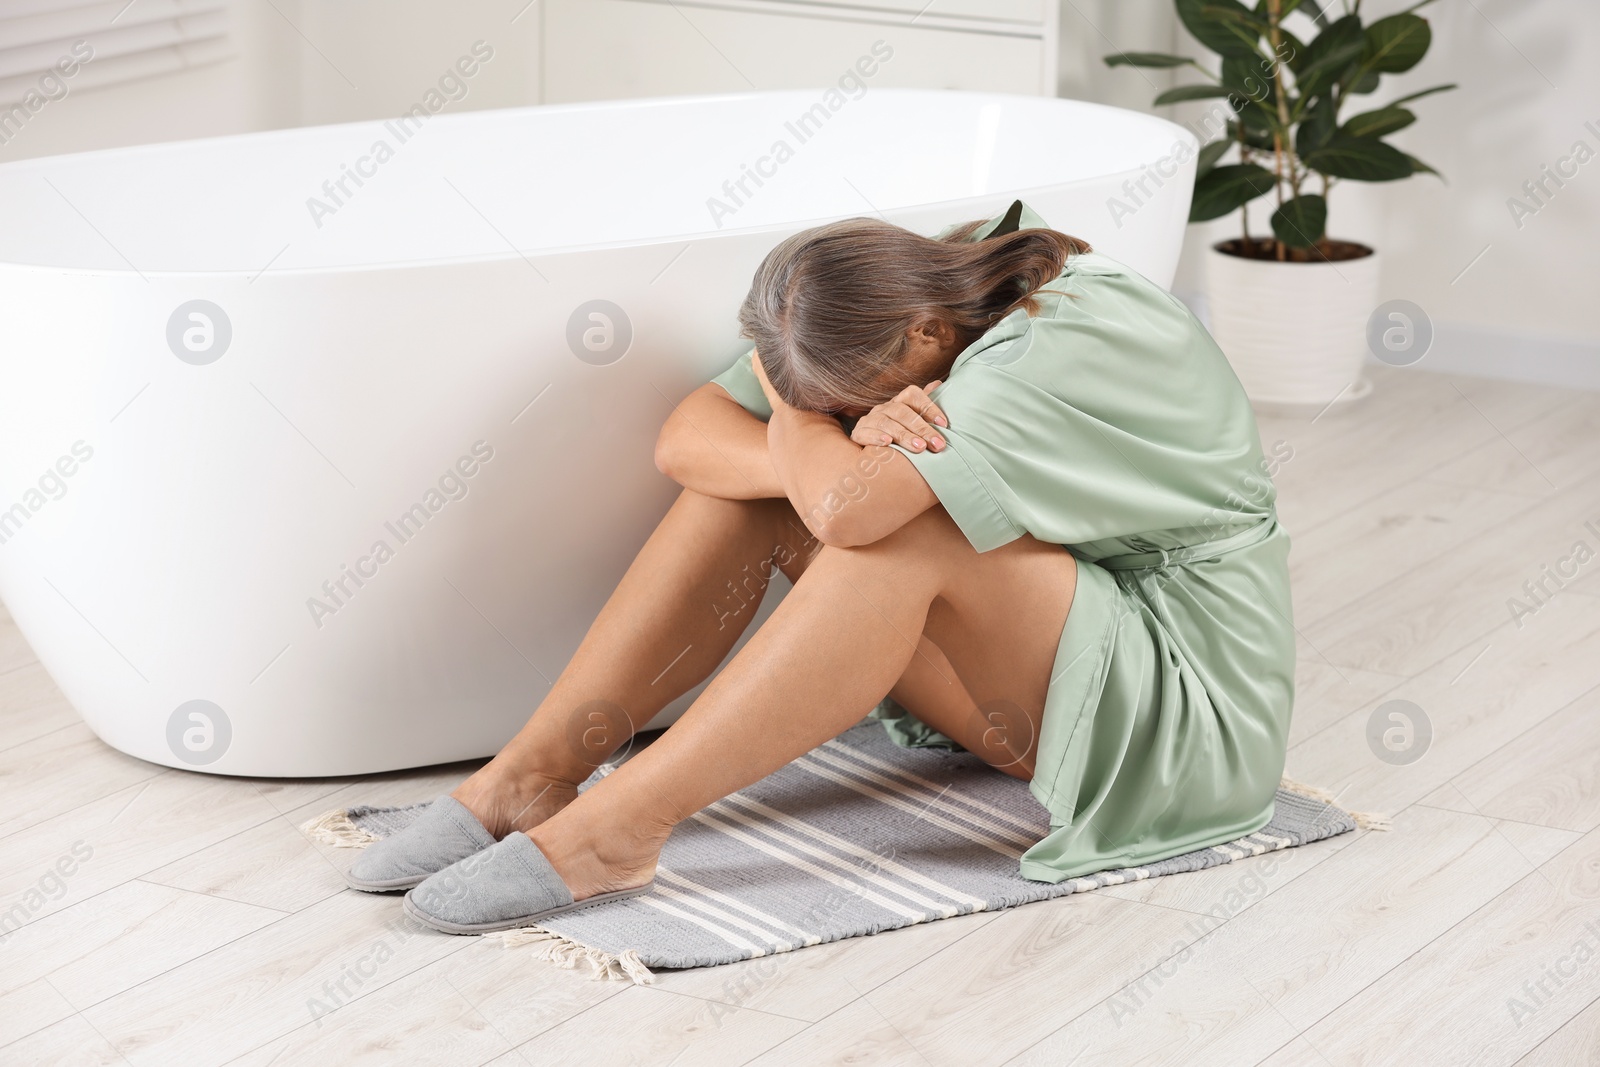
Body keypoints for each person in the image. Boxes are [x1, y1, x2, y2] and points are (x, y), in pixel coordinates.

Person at [349, 200, 1296, 934]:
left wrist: (797, 420)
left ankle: (615, 832)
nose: (834, 408)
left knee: (901, 528)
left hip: (1186, 719)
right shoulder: (921, 293)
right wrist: (822, 439)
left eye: (850, 399)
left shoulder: (1055, 343)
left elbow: (850, 511)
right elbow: (688, 438)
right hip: (1035, 685)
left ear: (925, 339)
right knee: (759, 493)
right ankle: (530, 776)